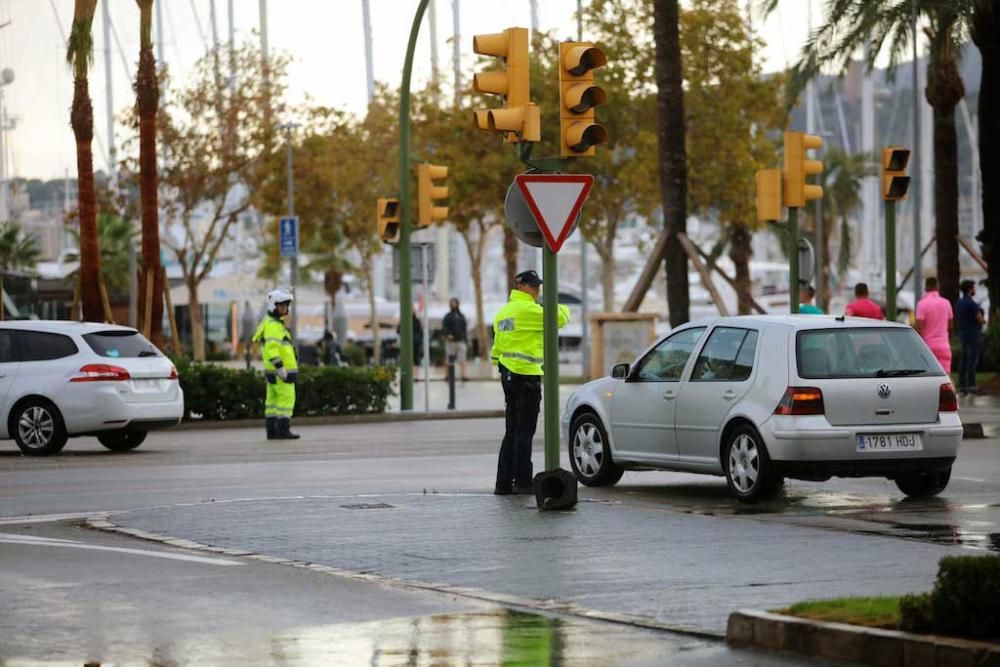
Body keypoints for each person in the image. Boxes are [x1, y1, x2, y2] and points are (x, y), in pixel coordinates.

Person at [491, 270, 571, 495]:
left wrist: (502, 366)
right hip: (527, 376)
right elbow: (560, 318)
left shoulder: (503, 313)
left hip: (507, 375)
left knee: (512, 431)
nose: (538, 290)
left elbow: (496, 349)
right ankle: (523, 481)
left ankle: (503, 483)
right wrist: (560, 306)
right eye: (534, 286)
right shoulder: (529, 310)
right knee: (525, 432)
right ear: (522, 287)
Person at [252, 288, 300, 440]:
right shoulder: (273, 325)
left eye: (286, 306)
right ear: (273, 306)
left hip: (274, 372)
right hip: (281, 373)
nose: (285, 309)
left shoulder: (273, 323)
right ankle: (283, 431)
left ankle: (272, 432)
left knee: (272, 403)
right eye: (282, 305)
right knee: (285, 401)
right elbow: (272, 350)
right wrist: (280, 367)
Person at [915, 276, 954, 373]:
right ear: (938, 287)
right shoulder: (946, 303)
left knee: (928, 379)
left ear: (926, 287)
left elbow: (919, 327)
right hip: (944, 346)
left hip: (927, 347)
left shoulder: (921, 304)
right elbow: (950, 326)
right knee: (946, 378)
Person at [956, 279, 985, 394]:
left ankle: (962, 385)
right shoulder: (972, 304)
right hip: (974, 335)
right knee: (972, 361)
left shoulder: (959, 303)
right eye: (973, 288)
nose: (975, 290)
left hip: (963, 334)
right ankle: (972, 385)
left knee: (964, 360)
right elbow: (980, 319)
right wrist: (983, 321)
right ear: (969, 289)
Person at [442, 297, 469, 381]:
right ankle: (447, 375)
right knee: (449, 359)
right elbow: (444, 327)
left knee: (463, 359)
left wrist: (465, 339)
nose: (453, 305)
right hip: (451, 342)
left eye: (455, 303)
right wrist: (447, 335)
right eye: (452, 303)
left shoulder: (461, 316)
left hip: (460, 340)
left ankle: (463, 375)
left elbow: (464, 328)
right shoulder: (447, 316)